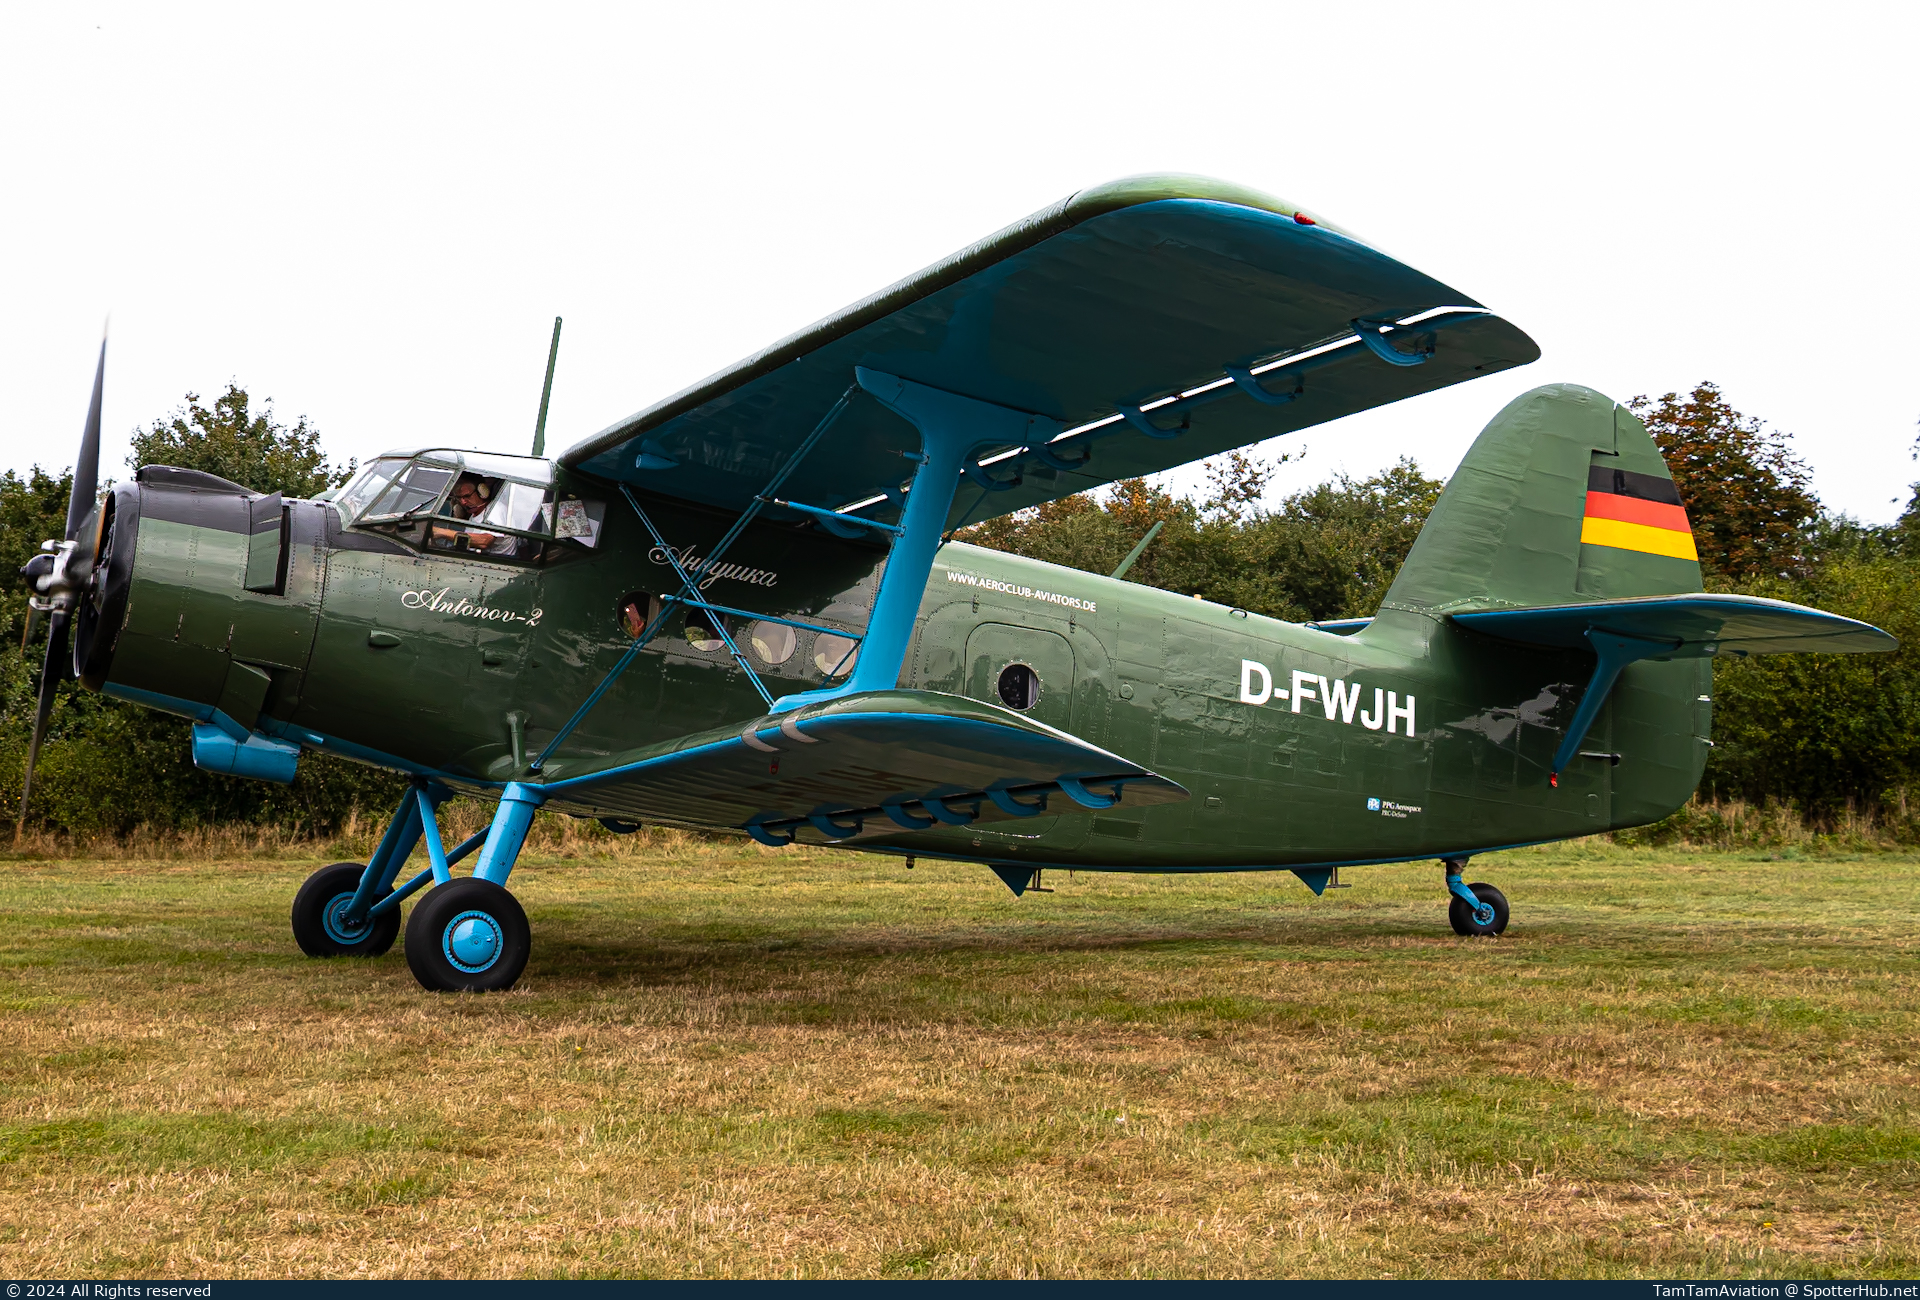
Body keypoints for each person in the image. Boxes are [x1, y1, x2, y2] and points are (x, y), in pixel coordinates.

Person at [429, 475, 513, 554]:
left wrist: (442, 532)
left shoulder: (496, 509)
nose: (463, 502)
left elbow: (484, 541)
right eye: (459, 498)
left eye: (467, 496)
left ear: (482, 491)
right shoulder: (474, 516)